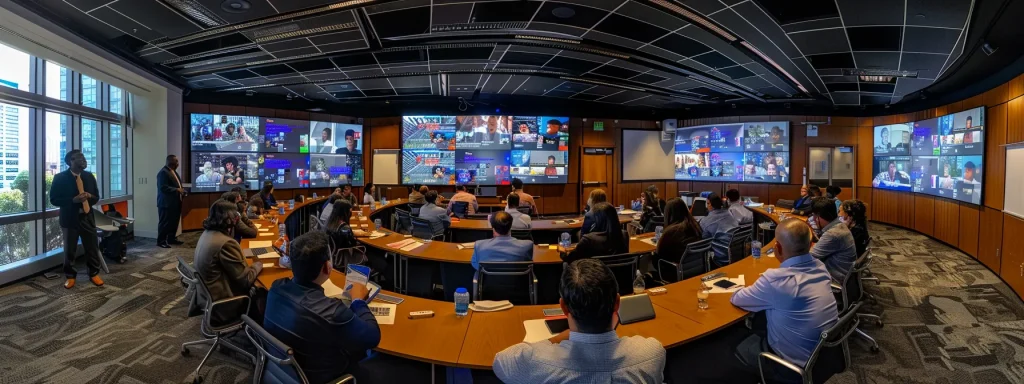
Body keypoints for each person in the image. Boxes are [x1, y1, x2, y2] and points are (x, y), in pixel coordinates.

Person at [493, 258, 666, 383]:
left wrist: (557, 338)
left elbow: (500, 362)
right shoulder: (652, 354)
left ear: (564, 308)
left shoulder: (534, 361)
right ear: (617, 304)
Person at [724, 219, 838, 382]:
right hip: (823, 359)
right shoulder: (820, 267)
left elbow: (737, 299)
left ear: (777, 248)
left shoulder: (776, 282)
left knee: (726, 346)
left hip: (789, 367)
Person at [263, 231, 380, 384]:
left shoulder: (276, 288)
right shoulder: (333, 313)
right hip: (328, 376)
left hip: (285, 373)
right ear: (327, 266)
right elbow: (373, 337)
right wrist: (358, 301)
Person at [189, 200, 262, 325]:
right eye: (236, 217)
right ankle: (260, 334)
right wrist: (258, 264)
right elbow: (245, 280)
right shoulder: (226, 243)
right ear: (230, 220)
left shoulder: (207, 234)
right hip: (225, 303)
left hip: (207, 297)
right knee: (263, 292)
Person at [50, 150, 103, 289]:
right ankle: (70, 276)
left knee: (92, 247)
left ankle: (94, 273)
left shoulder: (89, 176)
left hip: (87, 217)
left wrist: (90, 196)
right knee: (70, 250)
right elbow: (54, 200)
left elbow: (97, 197)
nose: (84, 160)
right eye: (80, 158)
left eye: (84, 157)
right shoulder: (60, 178)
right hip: (70, 219)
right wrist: (73, 200)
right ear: (70, 161)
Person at [809, 197, 858, 283]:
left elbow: (809, 257)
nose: (813, 219)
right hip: (843, 271)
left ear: (818, 218)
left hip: (834, 276)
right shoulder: (840, 226)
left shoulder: (833, 234)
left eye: (814, 216)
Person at [562, 203, 628, 263]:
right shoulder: (624, 235)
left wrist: (563, 253)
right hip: (619, 275)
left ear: (597, 220)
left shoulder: (588, 240)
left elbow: (570, 260)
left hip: (592, 275)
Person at [654, 198, 703, 271]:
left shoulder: (670, 233)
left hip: (674, 272)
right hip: (696, 270)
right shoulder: (695, 226)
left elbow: (659, 254)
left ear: (668, 213)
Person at [700, 193, 740, 266]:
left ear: (709, 204)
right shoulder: (730, 213)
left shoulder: (705, 221)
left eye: (707, 203)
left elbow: (704, 242)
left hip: (721, 259)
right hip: (738, 255)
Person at [156, 154, 185, 248]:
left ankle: (171, 238)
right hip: (166, 204)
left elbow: (177, 186)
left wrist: (182, 191)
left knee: (174, 222)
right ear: (171, 162)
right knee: (165, 223)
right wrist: (177, 190)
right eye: (176, 161)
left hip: (175, 203)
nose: (178, 163)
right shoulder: (163, 172)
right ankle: (161, 241)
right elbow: (163, 187)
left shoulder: (173, 172)